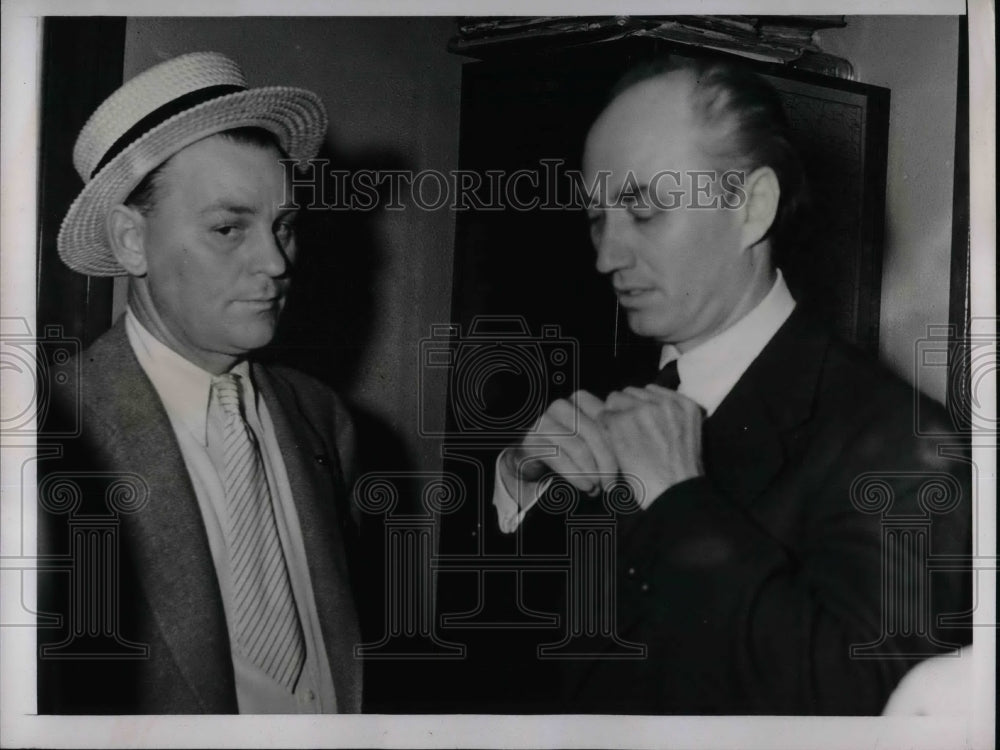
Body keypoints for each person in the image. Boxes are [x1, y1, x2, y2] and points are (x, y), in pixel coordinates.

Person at [492, 57, 971, 715]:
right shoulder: (615, 387)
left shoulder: (899, 438)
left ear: (751, 208)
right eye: (598, 216)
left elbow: (869, 710)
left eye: (644, 211)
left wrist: (679, 502)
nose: (605, 256)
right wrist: (523, 484)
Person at [37, 52, 361, 714]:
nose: (274, 261)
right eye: (227, 228)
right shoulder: (47, 438)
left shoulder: (322, 417)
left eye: (284, 227)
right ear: (132, 242)